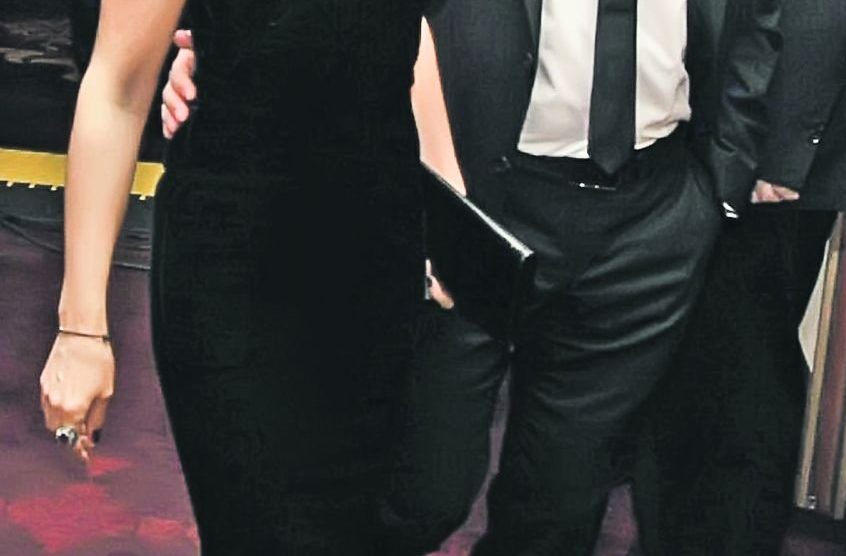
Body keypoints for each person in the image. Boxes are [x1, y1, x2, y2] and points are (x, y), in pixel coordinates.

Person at [163, 1, 782, 554]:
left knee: (562, 503)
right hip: (472, 196)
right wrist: (235, 60)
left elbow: (756, 19)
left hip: (652, 216)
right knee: (419, 489)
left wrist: (721, 182)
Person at [38, 0, 445, 554]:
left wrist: (448, 220)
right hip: (238, 264)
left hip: (377, 264)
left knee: (360, 529)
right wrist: (81, 330)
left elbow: (408, 34)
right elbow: (117, 87)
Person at [633, 0, 846, 554]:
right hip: (744, 127)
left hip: (763, 136)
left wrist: (773, 149)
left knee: (732, 379)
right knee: (710, 371)